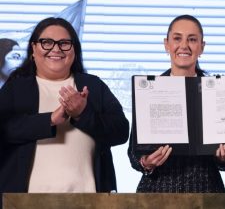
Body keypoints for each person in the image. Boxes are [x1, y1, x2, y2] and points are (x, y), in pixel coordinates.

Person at [0, 17, 129, 199]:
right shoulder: (16, 87)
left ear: (74, 50)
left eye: (64, 43)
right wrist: (50, 120)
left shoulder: (92, 85)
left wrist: (82, 114)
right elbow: (4, 130)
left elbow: (121, 131)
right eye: (47, 42)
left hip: (88, 200)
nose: (56, 49)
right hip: (26, 201)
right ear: (33, 50)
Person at [128, 14, 225, 193]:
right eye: (177, 38)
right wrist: (145, 163)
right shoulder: (149, 90)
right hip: (157, 193)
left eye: (192, 39)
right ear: (166, 44)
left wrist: (223, 159)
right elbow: (133, 153)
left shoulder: (218, 92)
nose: (184, 45)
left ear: (202, 47)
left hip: (206, 192)